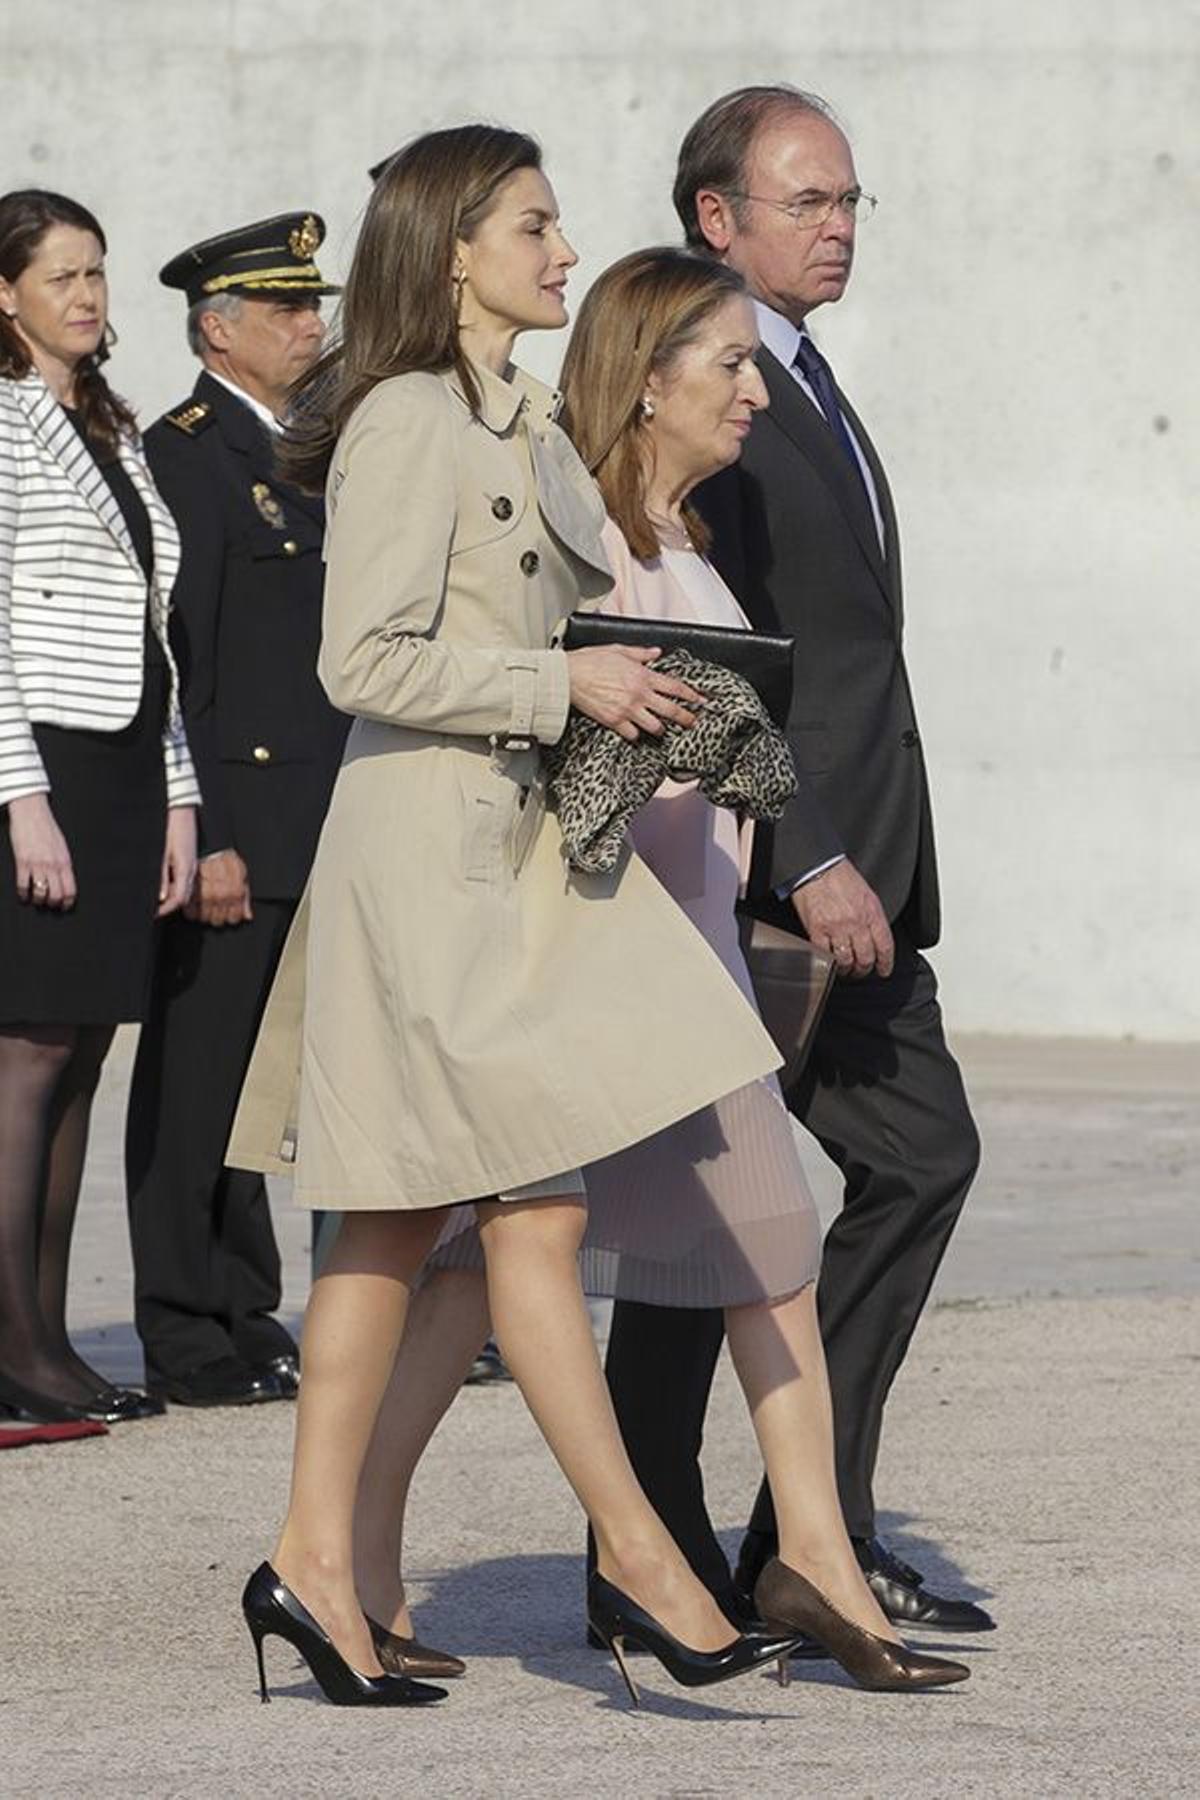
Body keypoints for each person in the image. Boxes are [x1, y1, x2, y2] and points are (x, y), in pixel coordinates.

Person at [228, 124, 801, 1708]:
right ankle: (639, 1551)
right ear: (453, 248)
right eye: (535, 226)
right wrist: (560, 680)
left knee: (399, 1226)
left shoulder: (532, 422)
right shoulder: (409, 420)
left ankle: (315, 1564)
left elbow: (574, 639)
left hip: (522, 861)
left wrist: (677, 707)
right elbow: (366, 664)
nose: (564, 251)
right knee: (523, 1213)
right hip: (426, 862)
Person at [367, 246, 970, 1693]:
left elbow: (723, 761)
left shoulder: (687, 551)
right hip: (588, 982)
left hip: (686, 976)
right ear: (650, 382)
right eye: (728, 367)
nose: (756, 393)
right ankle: (352, 1557)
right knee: (458, 1282)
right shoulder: (588, 552)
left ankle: (810, 1557)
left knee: (768, 1251)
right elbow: (565, 781)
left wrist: (778, 820)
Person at [600, 85, 991, 1633]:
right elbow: (713, 653)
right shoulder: (708, 390)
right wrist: (809, 854)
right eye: (805, 201)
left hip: (860, 872)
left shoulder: (791, 380)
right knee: (712, 1210)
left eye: (848, 203)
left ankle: (792, 1535)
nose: (836, 228)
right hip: (774, 881)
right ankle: (683, 1549)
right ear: (718, 218)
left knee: (870, 1173)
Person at [123, 214, 348, 1409]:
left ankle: (244, 1303)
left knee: (265, 1088)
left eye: (315, 307)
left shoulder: (301, 452)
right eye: (289, 310)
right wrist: (200, 826)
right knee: (200, 1078)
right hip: (233, 820)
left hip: (309, 814)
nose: (315, 327)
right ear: (222, 328)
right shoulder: (188, 454)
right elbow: (183, 663)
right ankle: (182, 1324)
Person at [0, 189, 199, 1426]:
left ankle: (46, 1333)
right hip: (47, 768)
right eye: (59, 275)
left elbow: (152, 630)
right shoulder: (6, 425)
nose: (85, 294)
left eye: (96, 272)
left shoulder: (110, 427)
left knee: (84, 1053)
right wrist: (20, 799)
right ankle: (10, 1344)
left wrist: (178, 798)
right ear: (3, 295)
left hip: (127, 766)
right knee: (26, 1053)